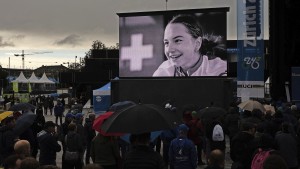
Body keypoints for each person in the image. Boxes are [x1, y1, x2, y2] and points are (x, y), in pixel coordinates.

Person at [153, 14, 227, 77]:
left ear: (197, 43)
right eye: (166, 43)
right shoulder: (163, 72)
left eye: (177, 40)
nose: (169, 50)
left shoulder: (219, 70)